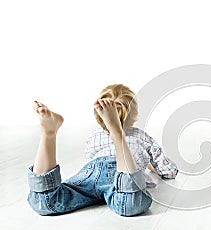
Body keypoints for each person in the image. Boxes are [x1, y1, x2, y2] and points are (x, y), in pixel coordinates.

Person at [27, 84, 178, 216]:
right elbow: (169, 171)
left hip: (92, 170)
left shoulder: (94, 136)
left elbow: (90, 161)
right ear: (133, 115)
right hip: (121, 174)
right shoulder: (141, 136)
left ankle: (49, 134)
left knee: (46, 201)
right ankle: (117, 134)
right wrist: (150, 164)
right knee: (132, 204)